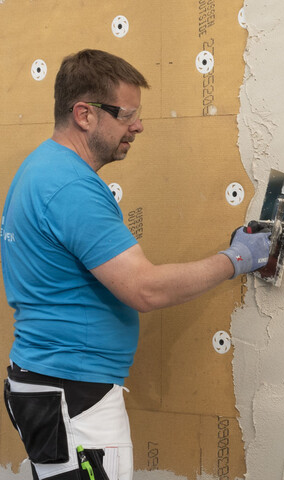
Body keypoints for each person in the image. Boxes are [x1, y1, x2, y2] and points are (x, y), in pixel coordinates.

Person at [0, 49, 270, 480]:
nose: (138, 125)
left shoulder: (41, 169)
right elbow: (145, 289)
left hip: (52, 386)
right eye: (126, 115)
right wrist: (238, 259)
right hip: (74, 396)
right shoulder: (70, 187)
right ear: (84, 114)